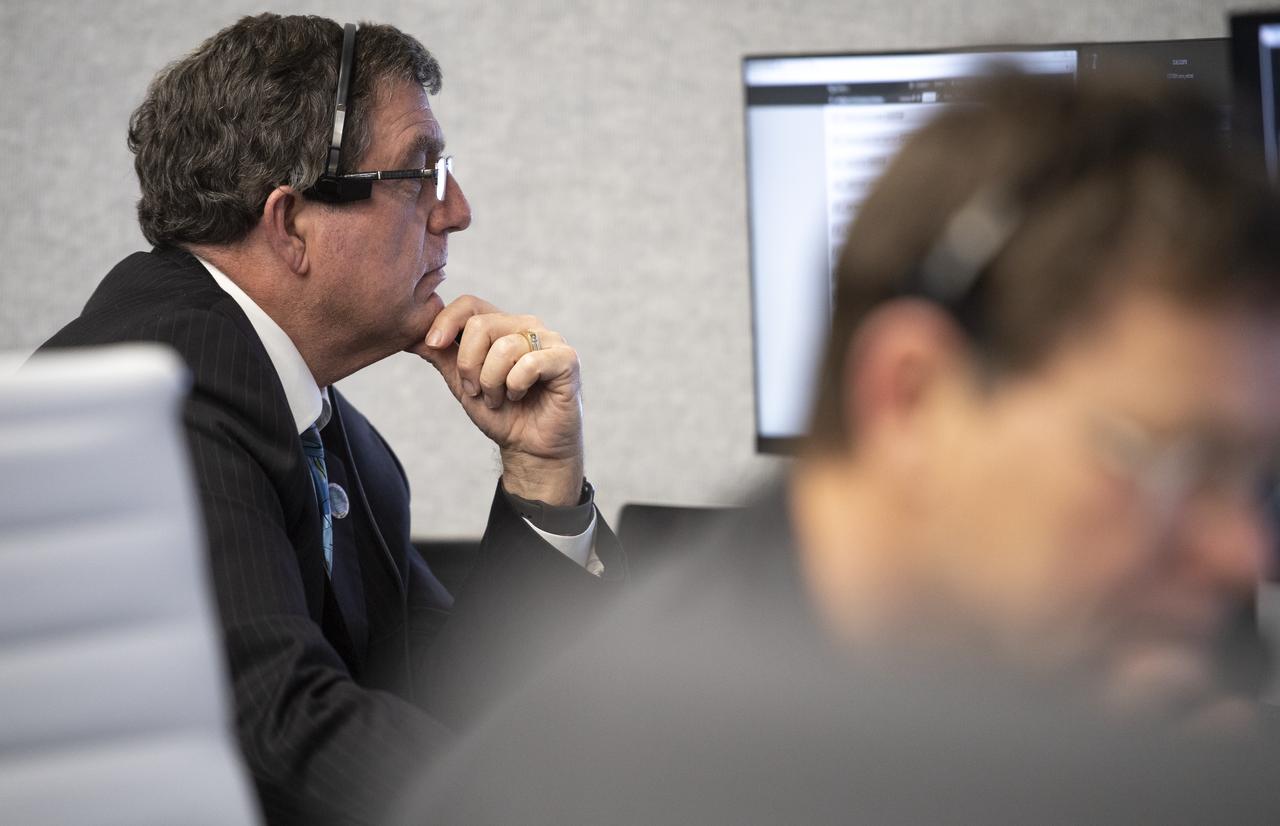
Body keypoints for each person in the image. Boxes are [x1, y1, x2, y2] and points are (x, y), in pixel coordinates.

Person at [396, 73, 1280, 823]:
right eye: (1174, 463)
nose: (1246, 551)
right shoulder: (632, 772)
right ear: (912, 398)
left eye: (1253, 480)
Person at [37, 13, 626, 825]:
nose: (457, 211)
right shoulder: (162, 390)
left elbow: (448, 691)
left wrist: (540, 479)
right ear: (290, 225)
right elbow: (282, 731)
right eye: (421, 173)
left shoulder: (325, 429)